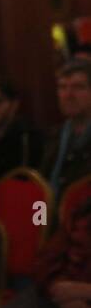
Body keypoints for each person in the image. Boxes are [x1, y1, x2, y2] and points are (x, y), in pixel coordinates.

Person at [42, 59, 91, 216]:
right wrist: (39, 226)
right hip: (52, 223)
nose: (68, 95)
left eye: (78, 87)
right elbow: (41, 190)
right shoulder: (54, 136)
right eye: (62, 87)